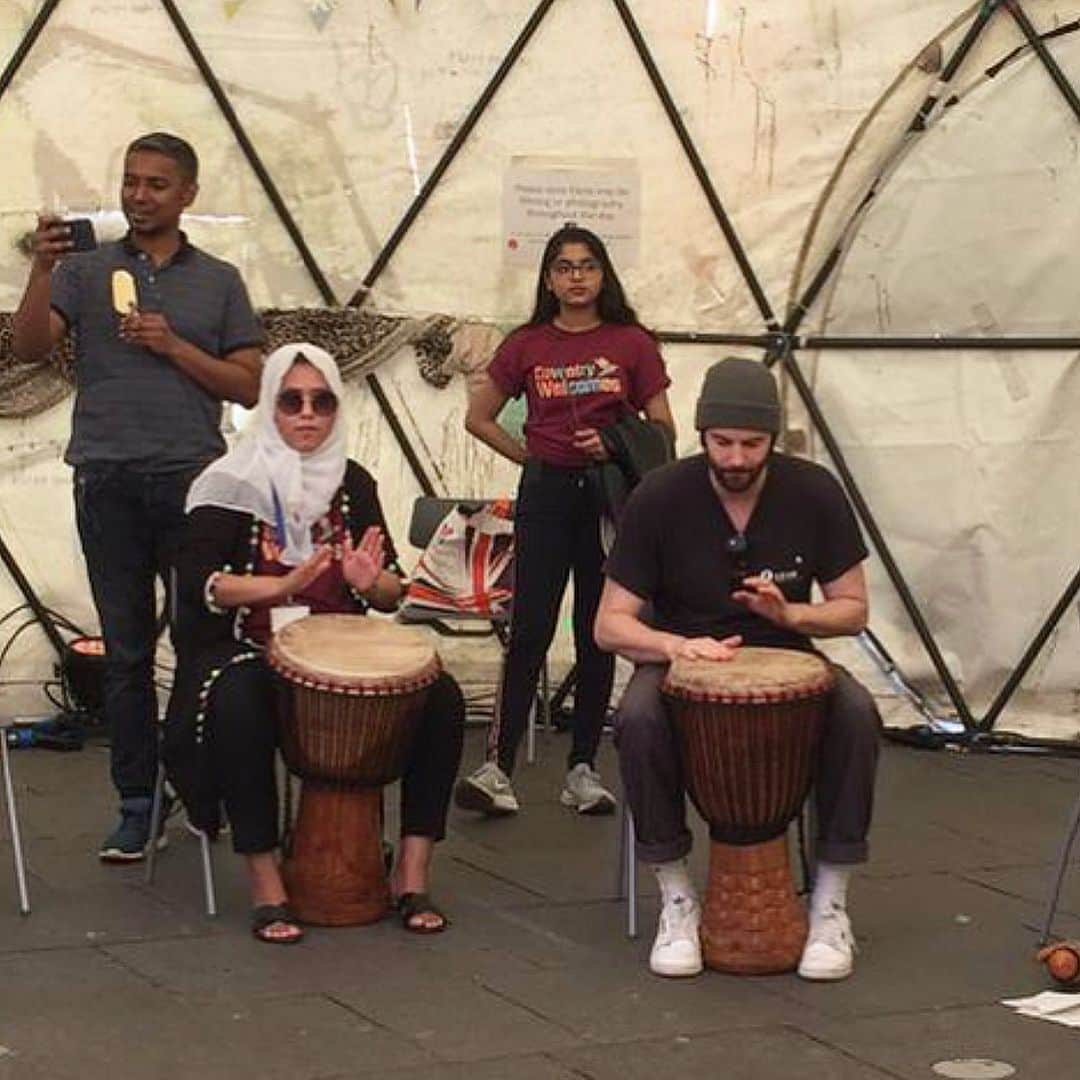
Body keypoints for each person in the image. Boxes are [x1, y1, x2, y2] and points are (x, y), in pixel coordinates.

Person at [11, 132, 263, 861]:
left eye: (156, 184)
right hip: (107, 475)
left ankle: (198, 785)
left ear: (188, 194)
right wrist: (41, 267)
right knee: (122, 653)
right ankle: (136, 800)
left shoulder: (218, 280)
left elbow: (249, 383)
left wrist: (175, 347)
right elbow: (29, 347)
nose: (139, 194)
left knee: (199, 642)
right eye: (130, 181)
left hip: (192, 478)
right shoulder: (85, 270)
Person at [164, 342, 466, 943]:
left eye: (322, 401)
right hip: (251, 647)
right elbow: (202, 583)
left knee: (442, 698)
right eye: (291, 401)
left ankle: (410, 871)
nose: (307, 413)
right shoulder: (230, 482)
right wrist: (280, 584)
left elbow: (391, 593)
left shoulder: (353, 483)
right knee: (239, 701)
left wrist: (369, 580)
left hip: (340, 646)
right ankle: (266, 881)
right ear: (269, 408)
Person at [594, 357, 881, 981]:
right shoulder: (662, 495)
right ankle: (675, 896)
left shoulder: (813, 491)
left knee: (857, 713)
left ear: (774, 440)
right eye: (722, 442)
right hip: (683, 661)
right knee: (637, 718)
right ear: (701, 436)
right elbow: (608, 624)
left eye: (752, 444)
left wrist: (794, 616)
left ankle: (832, 904)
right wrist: (674, 646)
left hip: (786, 655)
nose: (735, 458)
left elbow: (853, 610)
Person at [456, 224, 674, 817]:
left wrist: (612, 444)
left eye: (587, 265)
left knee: (597, 628)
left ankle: (582, 769)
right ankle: (496, 767)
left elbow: (664, 430)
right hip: (546, 494)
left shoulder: (632, 343)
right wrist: (530, 456)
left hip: (606, 498)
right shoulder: (527, 343)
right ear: (548, 279)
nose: (576, 277)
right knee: (529, 626)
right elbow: (479, 418)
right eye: (563, 266)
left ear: (604, 274)